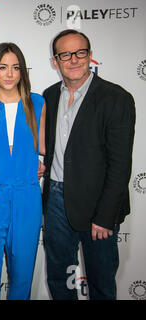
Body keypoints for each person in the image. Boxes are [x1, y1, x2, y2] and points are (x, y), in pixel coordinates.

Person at [42, 29, 135, 300]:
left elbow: (120, 166)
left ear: (90, 56)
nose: (73, 59)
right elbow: (54, 150)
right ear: (55, 61)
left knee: (101, 281)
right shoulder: (49, 96)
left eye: (80, 52)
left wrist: (105, 216)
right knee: (59, 278)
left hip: (98, 207)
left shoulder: (116, 98)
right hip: (55, 201)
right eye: (65, 54)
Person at [0, 43, 46, 300]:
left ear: (23, 71)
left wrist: (40, 163)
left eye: (16, 67)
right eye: (3, 68)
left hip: (27, 198)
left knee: (23, 276)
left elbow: (42, 147)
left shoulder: (38, 103)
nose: (10, 74)